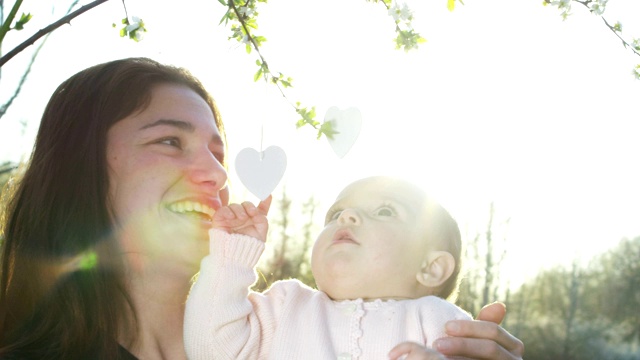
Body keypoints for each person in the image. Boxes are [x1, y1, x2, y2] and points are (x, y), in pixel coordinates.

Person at [0, 57, 523, 360]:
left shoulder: (275, 329)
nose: (216, 174)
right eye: (168, 142)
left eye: (217, 152)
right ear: (79, 166)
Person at [184, 176, 521, 359]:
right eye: (336, 214)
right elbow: (210, 350)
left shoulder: (444, 324)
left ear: (431, 268)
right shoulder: (285, 305)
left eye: (386, 211)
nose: (347, 217)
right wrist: (231, 256)